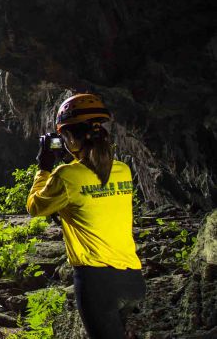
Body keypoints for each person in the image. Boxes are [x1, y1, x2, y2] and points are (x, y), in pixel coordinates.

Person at [26, 93, 144, 339]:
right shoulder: (123, 170)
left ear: (69, 137)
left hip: (96, 281)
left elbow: (35, 207)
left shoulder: (66, 175)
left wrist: (44, 168)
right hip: (133, 277)